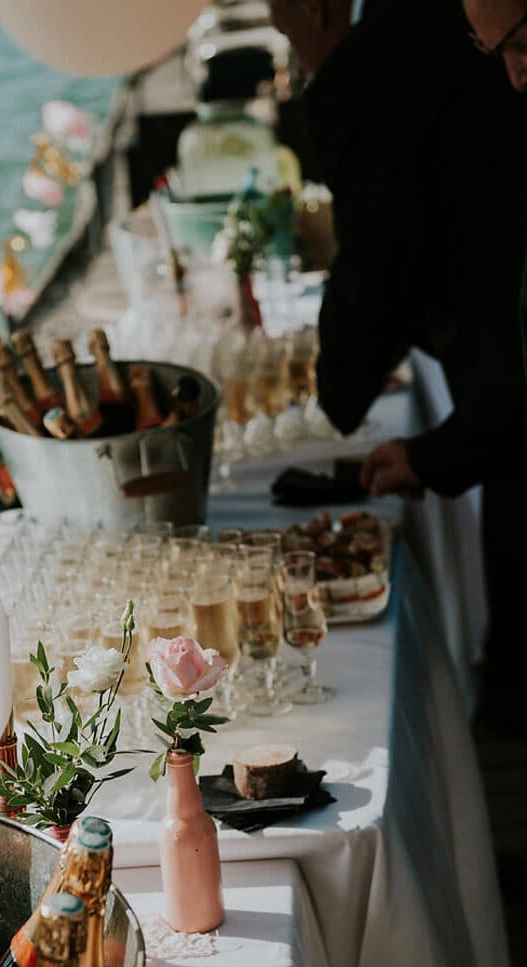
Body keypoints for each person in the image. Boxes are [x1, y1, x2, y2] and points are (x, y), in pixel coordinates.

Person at [269, 0, 527, 723]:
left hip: (503, 342)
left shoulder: (370, 59)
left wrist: (343, 396)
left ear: (313, 8)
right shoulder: (420, 22)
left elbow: (374, 255)